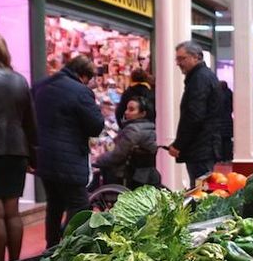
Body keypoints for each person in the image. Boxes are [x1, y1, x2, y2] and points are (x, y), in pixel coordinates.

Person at [34, 54, 105, 248]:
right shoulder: (80, 91)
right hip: (70, 158)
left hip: (44, 157)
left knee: (54, 203)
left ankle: (51, 247)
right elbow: (96, 126)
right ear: (84, 76)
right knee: (79, 204)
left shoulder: (41, 86)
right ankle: (69, 247)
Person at [0, 31, 37, 261]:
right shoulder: (19, 80)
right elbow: (30, 122)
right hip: (17, 149)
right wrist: (33, 156)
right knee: (13, 212)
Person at [166, 41, 222, 184]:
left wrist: (179, 144)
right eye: (177, 59)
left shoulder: (199, 79)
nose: (178, 63)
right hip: (204, 146)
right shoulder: (203, 76)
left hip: (201, 148)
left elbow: (194, 116)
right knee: (202, 187)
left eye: (182, 58)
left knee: (200, 189)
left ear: (196, 57)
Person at [96, 97, 160, 188]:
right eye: (127, 109)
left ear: (142, 113)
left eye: (131, 110)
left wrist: (99, 160)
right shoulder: (151, 128)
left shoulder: (133, 130)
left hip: (130, 175)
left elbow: (118, 155)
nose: (126, 112)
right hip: (149, 174)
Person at [217, 80, 234, 161]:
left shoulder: (219, 95)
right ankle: (228, 156)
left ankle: (221, 157)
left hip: (220, 120)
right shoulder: (230, 93)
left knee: (220, 140)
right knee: (227, 140)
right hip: (228, 119)